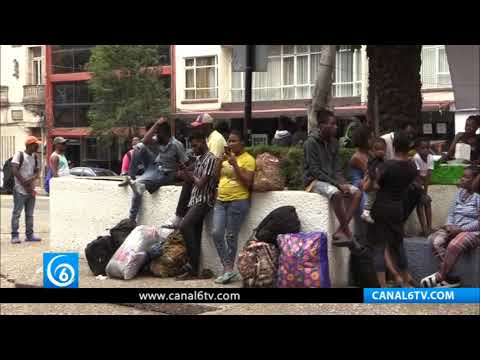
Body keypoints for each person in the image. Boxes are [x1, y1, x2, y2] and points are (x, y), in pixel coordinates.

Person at [367, 132, 418, 287]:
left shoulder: (387, 166)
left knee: (379, 246)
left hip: (381, 207)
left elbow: (374, 185)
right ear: (409, 147)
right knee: (398, 244)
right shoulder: (411, 166)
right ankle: (406, 277)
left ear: (394, 146)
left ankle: (382, 286)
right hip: (398, 208)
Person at [304, 109, 362, 246]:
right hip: (313, 181)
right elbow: (314, 171)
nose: (336, 127)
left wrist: (343, 183)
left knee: (357, 193)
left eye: (336, 124)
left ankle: (341, 230)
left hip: (332, 181)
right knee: (335, 193)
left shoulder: (334, 143)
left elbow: (336, 168)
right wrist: (337, 184)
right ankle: (347, 232)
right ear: (322, 125)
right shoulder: (310, 143)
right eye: (332, 124)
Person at [120, 118, 189, 222]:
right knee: (139, 147)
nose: (156, 134)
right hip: (155, 168)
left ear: (165, 133)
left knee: (138, 185)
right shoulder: (158, 141)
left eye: (158, 132)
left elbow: (186, 163)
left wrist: (181, 174)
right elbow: (144, 141)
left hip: (167, 173)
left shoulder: (176, 145)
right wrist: (156, 124)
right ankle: (131, 176)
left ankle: (131, 218)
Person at [421, 166, 480, 288]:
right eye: (462, 176)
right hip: (454, 228)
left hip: (472, 232)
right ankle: (450, 278)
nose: (462, 179)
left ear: (475, 180)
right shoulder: (460, 193)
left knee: (454, 245)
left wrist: (461, 230)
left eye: (466, 177)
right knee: (434, 240)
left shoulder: (478, 197)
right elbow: (451, 213)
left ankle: (441, 276)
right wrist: (449, 225)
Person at [212, 130, 255, 284]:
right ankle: (228, 267)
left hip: (238, 201)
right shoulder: (226, 158)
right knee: (216, 233)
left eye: (234, 141)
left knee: (230, 235)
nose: (230, 144)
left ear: (242, 143)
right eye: (229, 141)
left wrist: (235, 164)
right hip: (221, 200)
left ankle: (228, 271)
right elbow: (216, 177)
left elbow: (248, 182)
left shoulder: (248, 159)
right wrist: (219, 161)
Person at [174, 132, 218, 280]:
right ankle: (195, 270)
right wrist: (184, 172)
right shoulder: (199, 159)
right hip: (194, 200)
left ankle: (192, 266)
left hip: (204, 201)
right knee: (195, 234)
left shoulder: (211, 159)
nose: (193, 149)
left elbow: (200, 183)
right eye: (191, 146)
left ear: (203, 142)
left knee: (184, 226)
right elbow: (192, 180)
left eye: (195, 145)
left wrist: (190, 174)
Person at [10, 136, 42, 244]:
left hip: (30, 190)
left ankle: (29, 235)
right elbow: (14, 170)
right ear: (29, 145)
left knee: (30, 214)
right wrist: (25, 184)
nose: (37, 146)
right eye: (35, 144)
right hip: (20, 189)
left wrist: (33, 179)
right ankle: (15, 235)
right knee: (17, 213)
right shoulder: (19, 155)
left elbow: (37, 172)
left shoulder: (35, 157)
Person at [361, 138, 387, 224]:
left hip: (378, 186)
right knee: (371, 198)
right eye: (377, 150)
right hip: (372, 184)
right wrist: (374, 182)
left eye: (382, 149)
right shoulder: (373, 160)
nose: (380, 152)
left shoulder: (383, 161)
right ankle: (365, 213)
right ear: (373, 150)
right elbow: (371, 172)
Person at [413, 138, 434, 236]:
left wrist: (425, 192)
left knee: (427, 201)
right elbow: (417, 177)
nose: (425, 150)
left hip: (423, 184)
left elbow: (428, 176)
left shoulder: (430, 157)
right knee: (420, 203)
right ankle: (424, 228)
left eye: (427, 148)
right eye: (422, 148)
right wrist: (422, 193)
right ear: (417, 149)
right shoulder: (416, 158)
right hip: (414, 184)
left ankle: (429, 227)